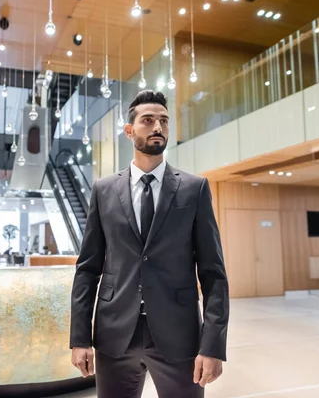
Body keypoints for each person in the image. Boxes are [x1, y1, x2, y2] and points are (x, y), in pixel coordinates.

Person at [70, 90, 230, 397]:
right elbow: (87, 270)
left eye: (164, 121)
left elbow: (214, 274)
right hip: (114, 334)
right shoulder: (104, 191)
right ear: (129, 131)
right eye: (148, 120)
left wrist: (213, 346)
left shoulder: (194, 189)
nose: (157, 127)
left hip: (179, 336)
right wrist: (80, 338)